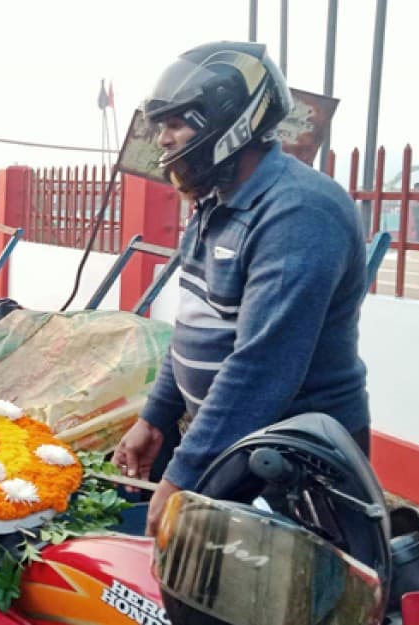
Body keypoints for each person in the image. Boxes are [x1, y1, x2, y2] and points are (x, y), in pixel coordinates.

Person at [111, 41, 370, 537]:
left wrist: (184, 476)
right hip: (240, 440)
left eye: (175, 124)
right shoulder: (216, 204)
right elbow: (194, 327)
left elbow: (263, 365)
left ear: (229, 122)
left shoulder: (297, 212)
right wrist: (156, 418)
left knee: (309, 599)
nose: (163, 140)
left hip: (298, 455)